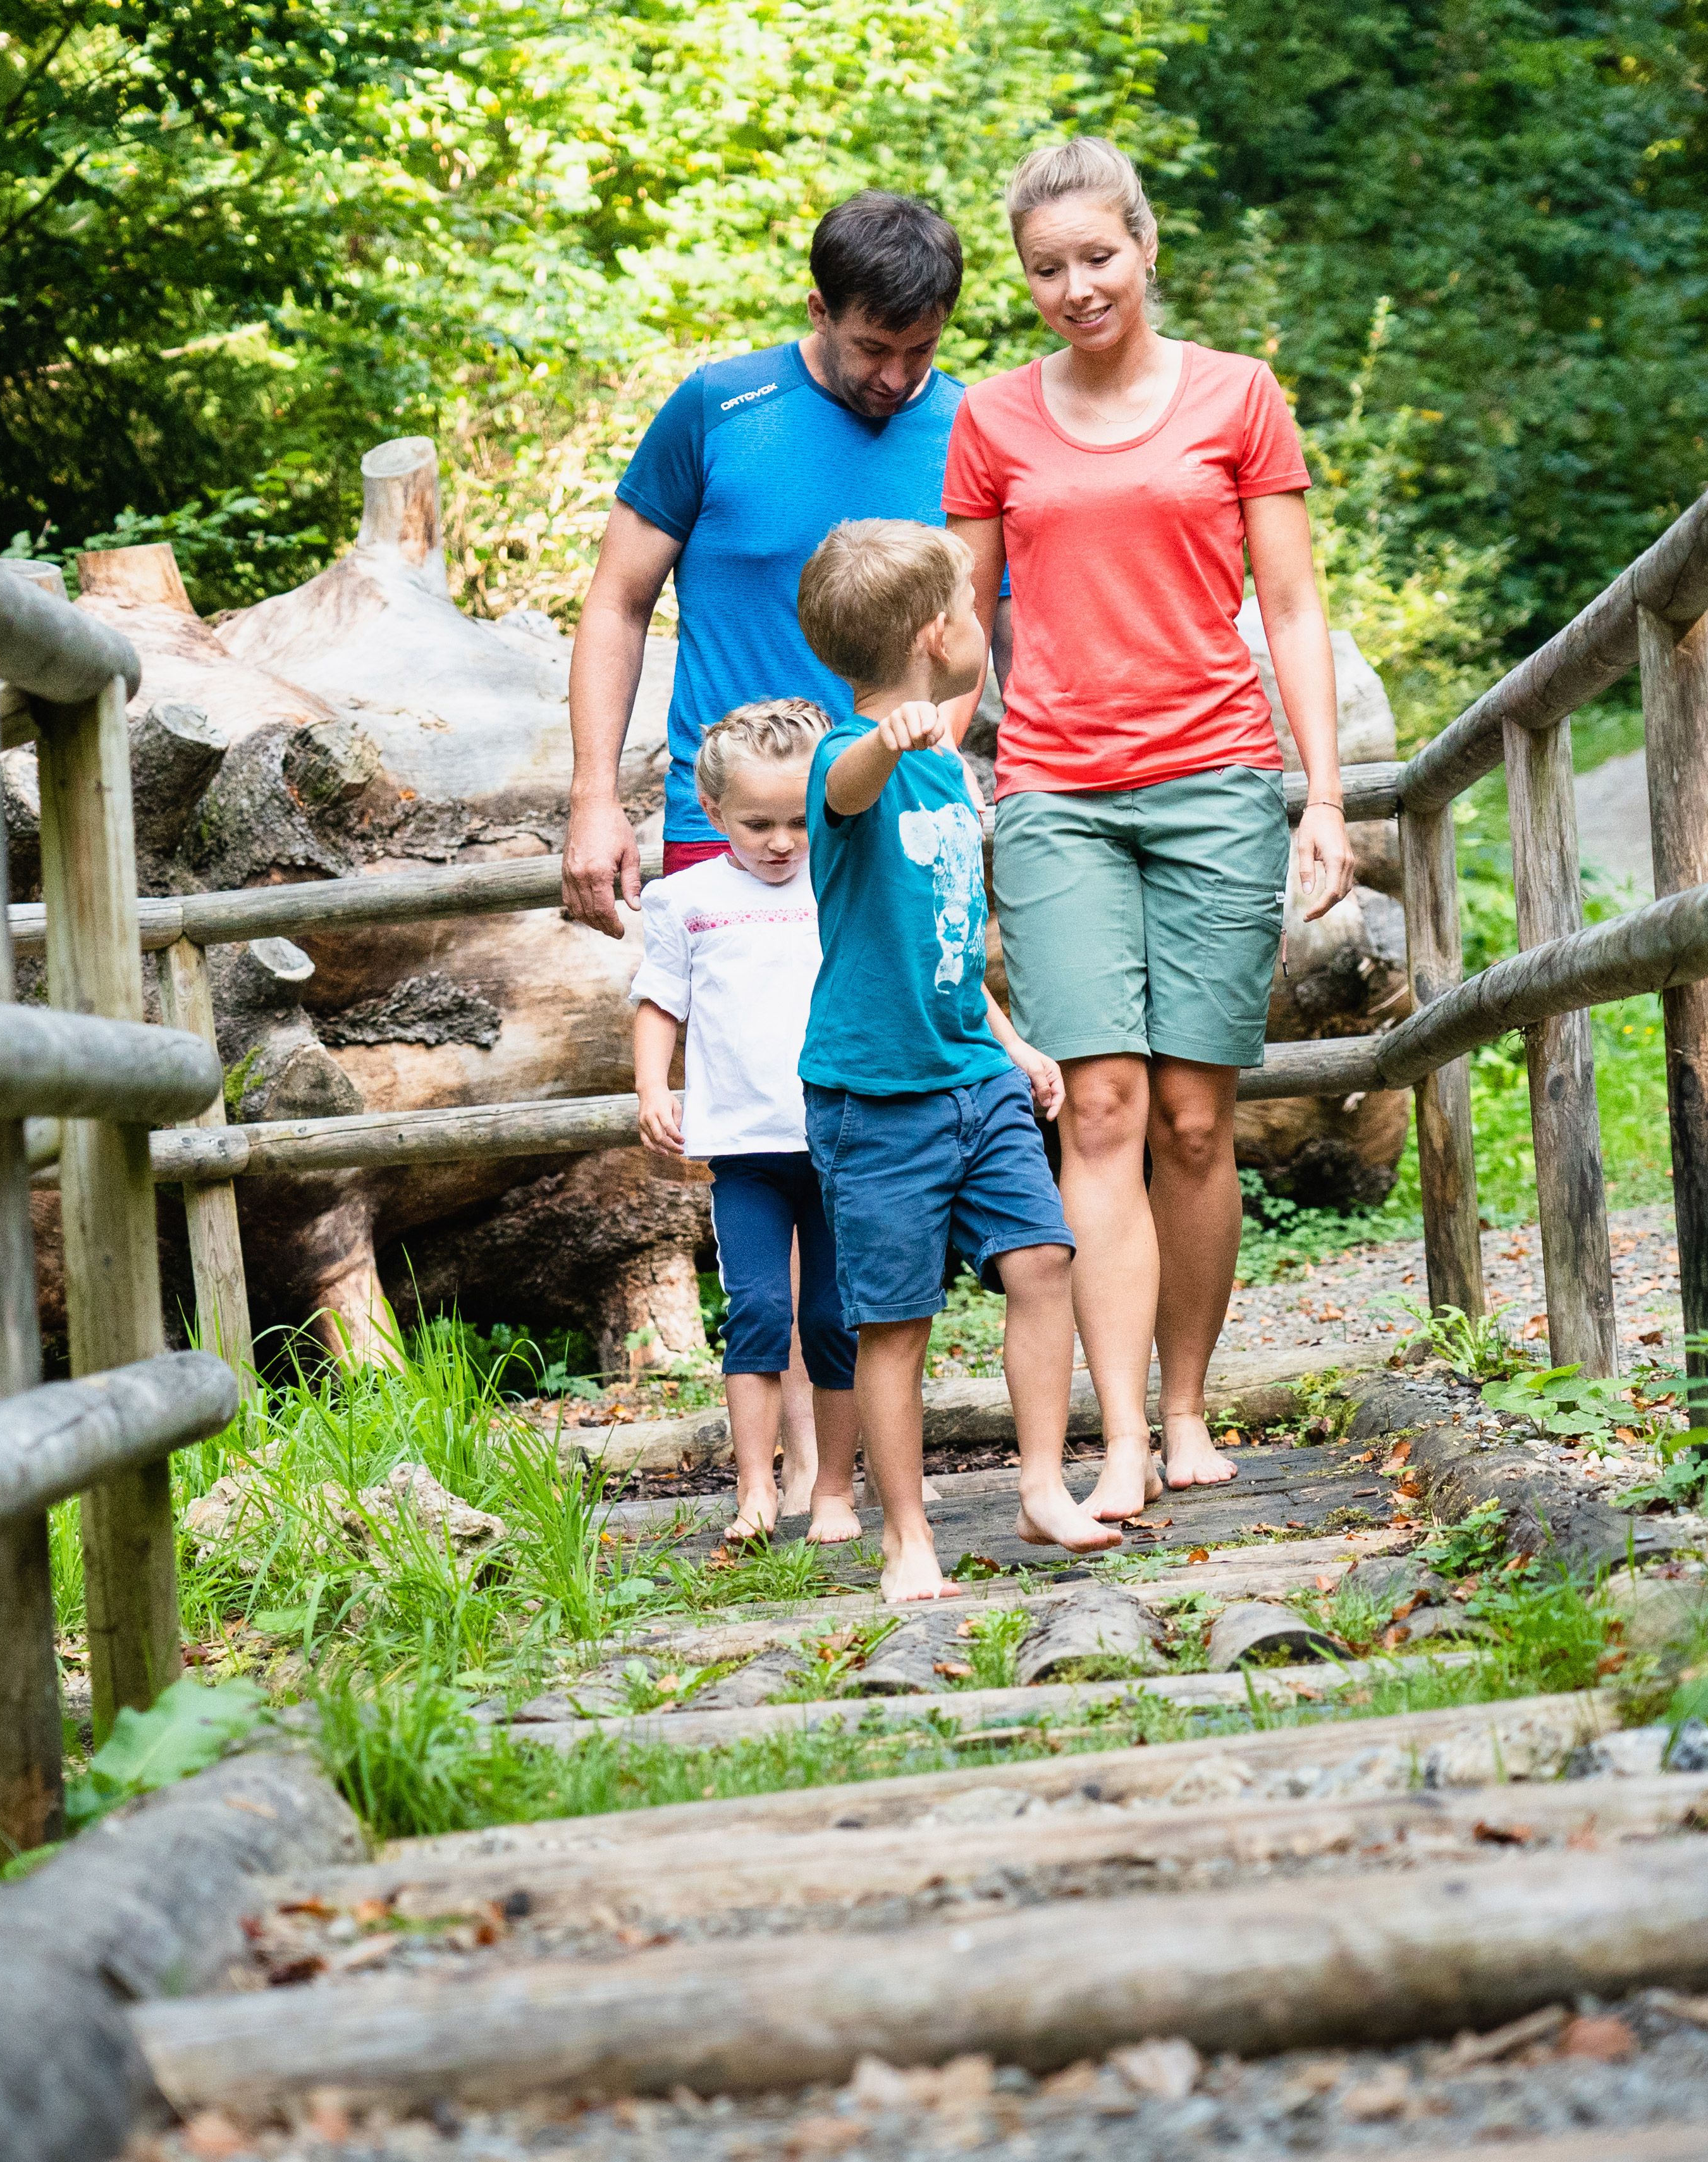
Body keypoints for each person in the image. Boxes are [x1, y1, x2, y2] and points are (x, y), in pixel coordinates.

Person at [945, 137, 1355, 1523]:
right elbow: (958, 627)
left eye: (1097, 258)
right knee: (1099, 1106)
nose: (1075, 287)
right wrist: (926, 750)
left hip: (1215, 781)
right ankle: (1116, 1435)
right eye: (1046, 269)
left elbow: (1289, 606)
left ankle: (1185, 1409)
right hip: (1054, 792)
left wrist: (1325, 793)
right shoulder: (992, 422)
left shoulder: (1238, 397)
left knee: (1194, 1118)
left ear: (1146, 247)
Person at [793, 519, 1120, 1602]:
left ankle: (1039, 1485)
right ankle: (906, 1537)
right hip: (874, 1097)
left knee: (1043, 1262)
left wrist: (1011, 1039)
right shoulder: (861, 766)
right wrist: (886, 738)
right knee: (894, 1321)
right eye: (974, 610)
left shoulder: (946, 778)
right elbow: (840, 785)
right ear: (942, 633)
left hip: (971, 1073)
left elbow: (941, 937)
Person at [563, 190, 975, 923]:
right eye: (873, 348)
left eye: (922, 349)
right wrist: (595, 800)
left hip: (896, 822)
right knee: (727, 1040)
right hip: (731, 826)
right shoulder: (715, 407)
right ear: (820, 311)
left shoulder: (970, 428)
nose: (895, 376)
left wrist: (936, 766)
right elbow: (617, 604)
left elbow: (974, 626)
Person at [629, 700, 864, 1547]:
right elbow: (661, 1000)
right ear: (714, 808)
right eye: (757, 822)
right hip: (747, 1152)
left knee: (837, 1318)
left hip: (843, 1139)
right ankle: (756, 1489)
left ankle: (833, 1489)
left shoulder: (841, 882)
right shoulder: (686, 899)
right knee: (760, 1309)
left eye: (800, 820)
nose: (780, 841)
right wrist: (652, 1085)